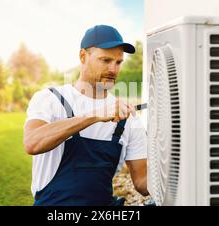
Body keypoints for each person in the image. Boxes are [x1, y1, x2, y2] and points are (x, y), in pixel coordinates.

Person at [23, 25, 148, 206]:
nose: (113, 69)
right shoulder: (50, 99)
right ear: (83, 56)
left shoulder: (128, 118)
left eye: (118, 62)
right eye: (105, 60)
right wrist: (95, 115)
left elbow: (142, 183)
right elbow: (32, 142)